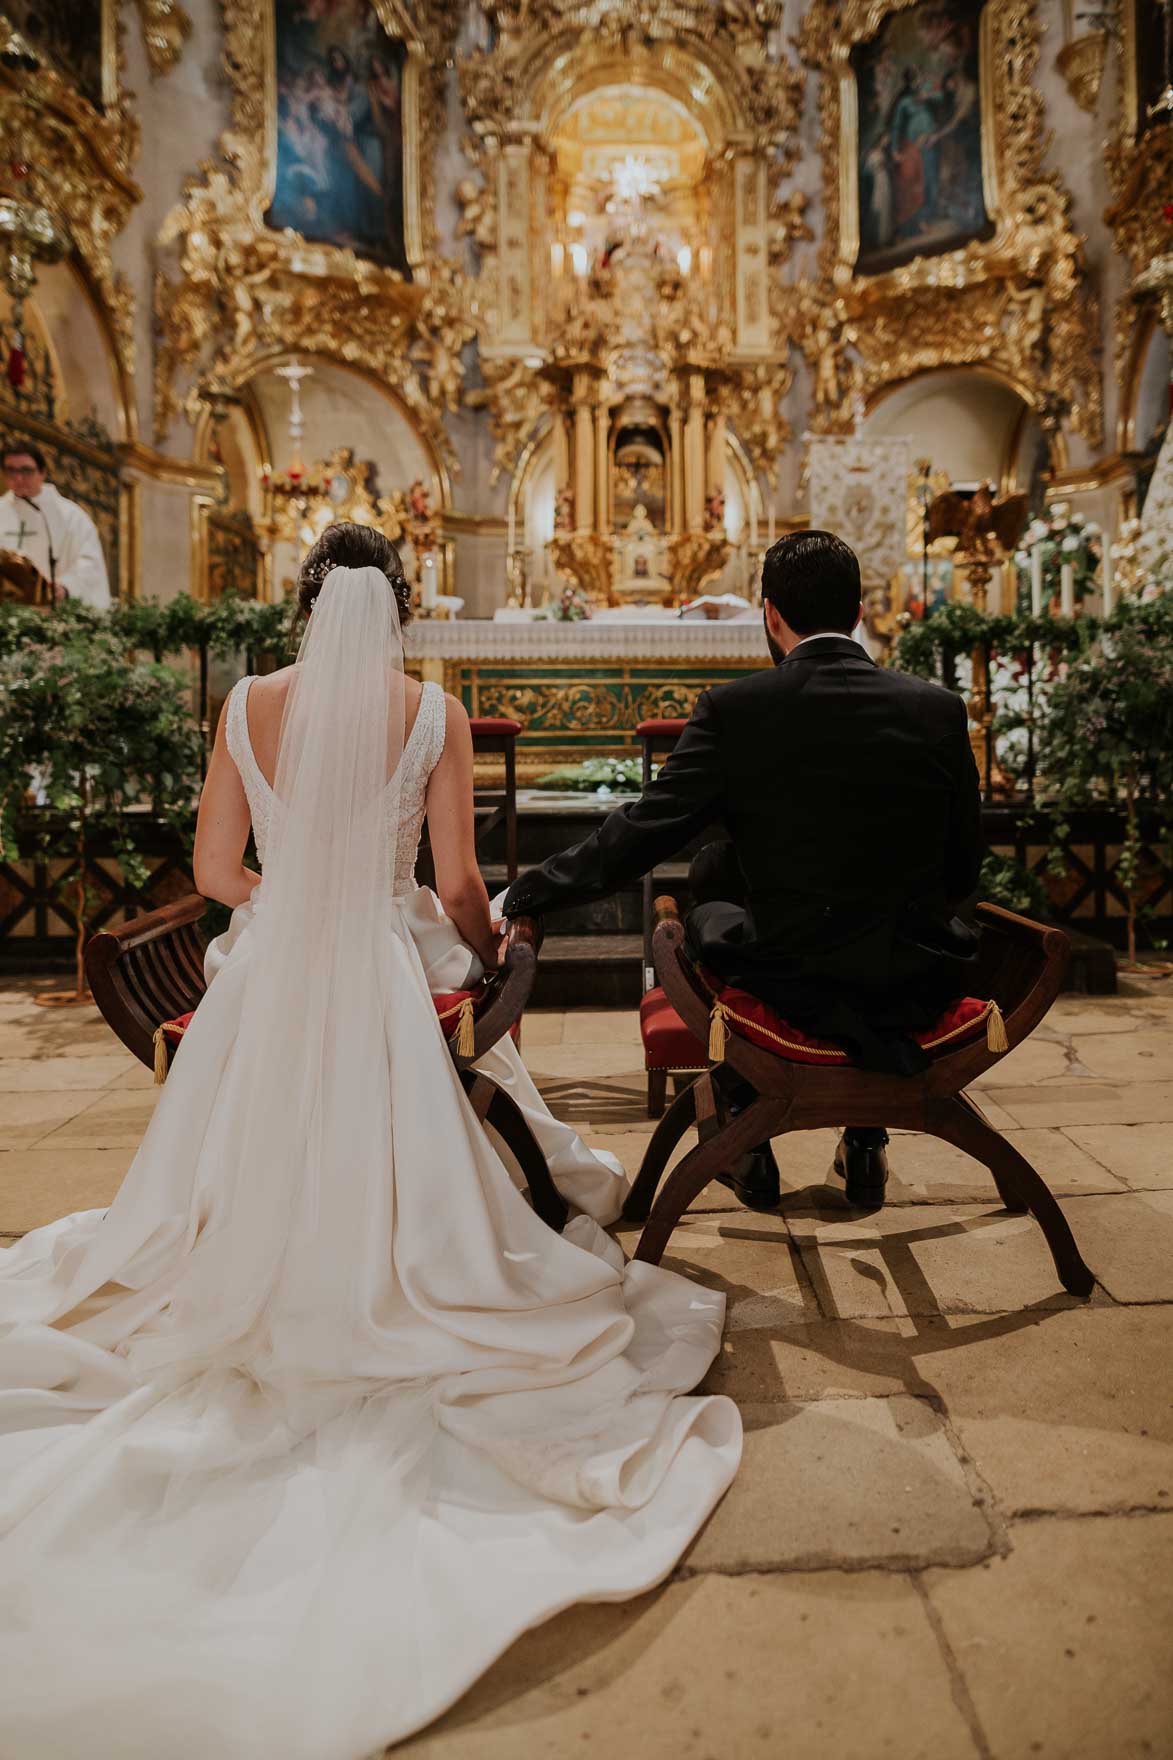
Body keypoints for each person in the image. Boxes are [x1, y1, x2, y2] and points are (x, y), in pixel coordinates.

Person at [0, 521, 739, 1758]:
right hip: (387, 969)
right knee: (444, 1074)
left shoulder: (246, 701)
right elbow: (456, 885)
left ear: (304, 603)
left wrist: (293, 899)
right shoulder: (431, 712)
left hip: (269, 963)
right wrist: (467, 928)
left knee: (237, 1135)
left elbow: (212, 867)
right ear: (398, 606)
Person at [502, 530, 984, 1212]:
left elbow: (642, 833)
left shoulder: (738, 710)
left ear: (769, 613)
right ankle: (863, 1137)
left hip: (791, 981)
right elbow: (963, 866)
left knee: (706, 900)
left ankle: (744, 1130)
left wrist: (530, 890)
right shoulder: (935, 709)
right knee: (730, 877)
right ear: (857, 612)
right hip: (914, 978)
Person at [0, 442, 111, 608]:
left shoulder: (71, 517)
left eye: (26, 470)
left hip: (52, 613)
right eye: (11, 471)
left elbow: (89, 562)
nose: (18, 478)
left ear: (42, 472)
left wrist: (65, 586)